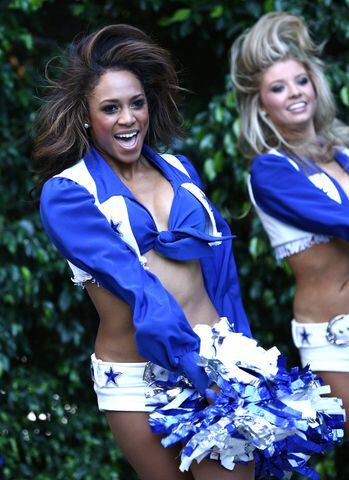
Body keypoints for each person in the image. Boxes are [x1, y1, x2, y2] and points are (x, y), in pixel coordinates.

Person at [33, 24, 255, 480]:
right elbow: (137, 287)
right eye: (110, 108)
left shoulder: (181, 169)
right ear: (85, 116)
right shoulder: (68, 195)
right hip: (135, 378)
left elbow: (220, 271)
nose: (128, 118)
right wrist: (194, 365)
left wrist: (245, 354)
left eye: (136, 103)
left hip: (216, 358)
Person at [231, 11, 349, 435]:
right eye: (278, 88)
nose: (295, 93)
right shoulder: (270, 171)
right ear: (261, 105)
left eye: (301, 81)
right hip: (336, 339)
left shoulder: (343, 151)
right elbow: (343, 220)